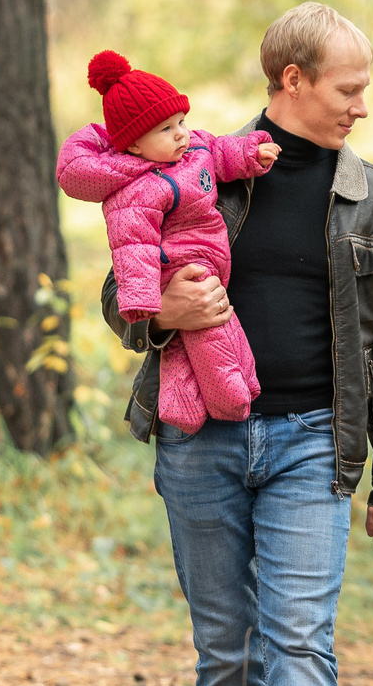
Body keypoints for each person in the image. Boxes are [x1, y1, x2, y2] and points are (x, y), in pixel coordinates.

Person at [100, 2, 373, 686]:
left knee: (300, 638)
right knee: (227, 646)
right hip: (201, 438)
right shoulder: (196, 168)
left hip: (314, 442)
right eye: (348, 87)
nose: (362, 104)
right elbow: (115, 292)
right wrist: (157, 313)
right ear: (291, 81)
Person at [57, 52, 278, 430]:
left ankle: (186, 406)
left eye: (181, 121)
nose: (181, 133)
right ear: (135, 145)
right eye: (165, 129)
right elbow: (133, 247)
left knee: (197, 343)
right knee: (211, 333)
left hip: (209, 256)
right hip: (180, 268)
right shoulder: (136, 189)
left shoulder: (194, 151)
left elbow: (222, 152)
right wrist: (144, 302)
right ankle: (232, 400)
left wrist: (252, 152)